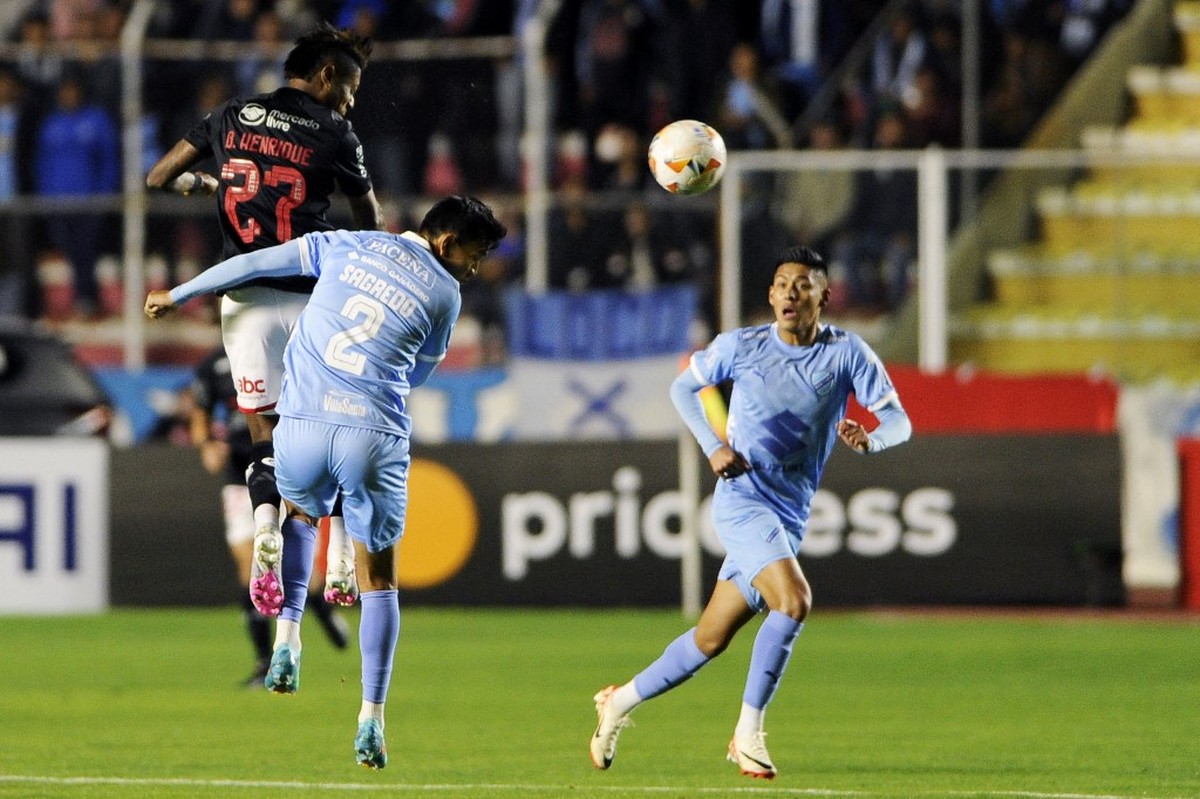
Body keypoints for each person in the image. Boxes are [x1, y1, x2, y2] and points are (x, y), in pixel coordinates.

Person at [145, 195, 507, 768]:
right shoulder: (445, 293)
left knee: (298, 513)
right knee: (380, 581)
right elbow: (416, 372)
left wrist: (180, 294)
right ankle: (371, 717)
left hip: (304, 425)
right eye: (475, 252)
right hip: (372, 433)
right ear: (445, 242)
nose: (476, 265)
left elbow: (254, 264)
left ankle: (287, 637)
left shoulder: (349, 243)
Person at [588, 245, 912, 779]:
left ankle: (618, 701)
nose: (790, 291)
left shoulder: (848, 354)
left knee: (710, 639)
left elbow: (898, 420)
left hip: (789, 514)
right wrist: (714, 446)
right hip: (742, 499)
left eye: (803, 284)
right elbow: (683, 388)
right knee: (795, 600)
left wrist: (872, 440)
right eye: (782, 282)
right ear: (770, 294)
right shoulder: (741, 346)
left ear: (824, 297)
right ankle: (748, 733)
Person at [145, 23, 386, 619]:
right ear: (327, 75)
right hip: (309, 297)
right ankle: (335, 564)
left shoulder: (232, 114)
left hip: (244, 298)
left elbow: (157, 178)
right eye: (350, 86)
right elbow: (369, 220)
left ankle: (265, 529)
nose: (351, 100)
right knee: (327, 425)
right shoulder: (336, 132)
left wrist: (210, 185)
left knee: (264, 435)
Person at [185, 344, 352, 688]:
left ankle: (321, 609)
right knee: (251, 566)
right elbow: (200, 413)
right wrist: (206, 445)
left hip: (287, 462)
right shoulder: (214, 363)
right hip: (239, 472)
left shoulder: (287, 347)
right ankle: (264, 662)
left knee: (299, 571)